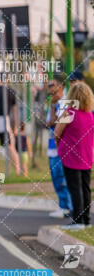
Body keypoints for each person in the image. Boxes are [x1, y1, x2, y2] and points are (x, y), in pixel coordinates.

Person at [55, 82, 94, 230]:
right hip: (87, 156)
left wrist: (61, 147)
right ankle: (85, 219)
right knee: (85, 188)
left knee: (74, 188)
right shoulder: (90, 115)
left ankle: (77, 220)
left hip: (71, 156)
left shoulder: (68, 113)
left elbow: (57, 133)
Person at [46, 76, 73, 218]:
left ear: (61, 86)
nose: (50, 88)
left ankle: (68, 207)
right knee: (55, 177)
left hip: (62, 146)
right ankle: (63, 206)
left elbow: (62, 124)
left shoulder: (67, 102)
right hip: (52, 146)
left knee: (63, 177)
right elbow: (50, 123)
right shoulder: (53, 103)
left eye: (52, 85)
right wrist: (51, 107)